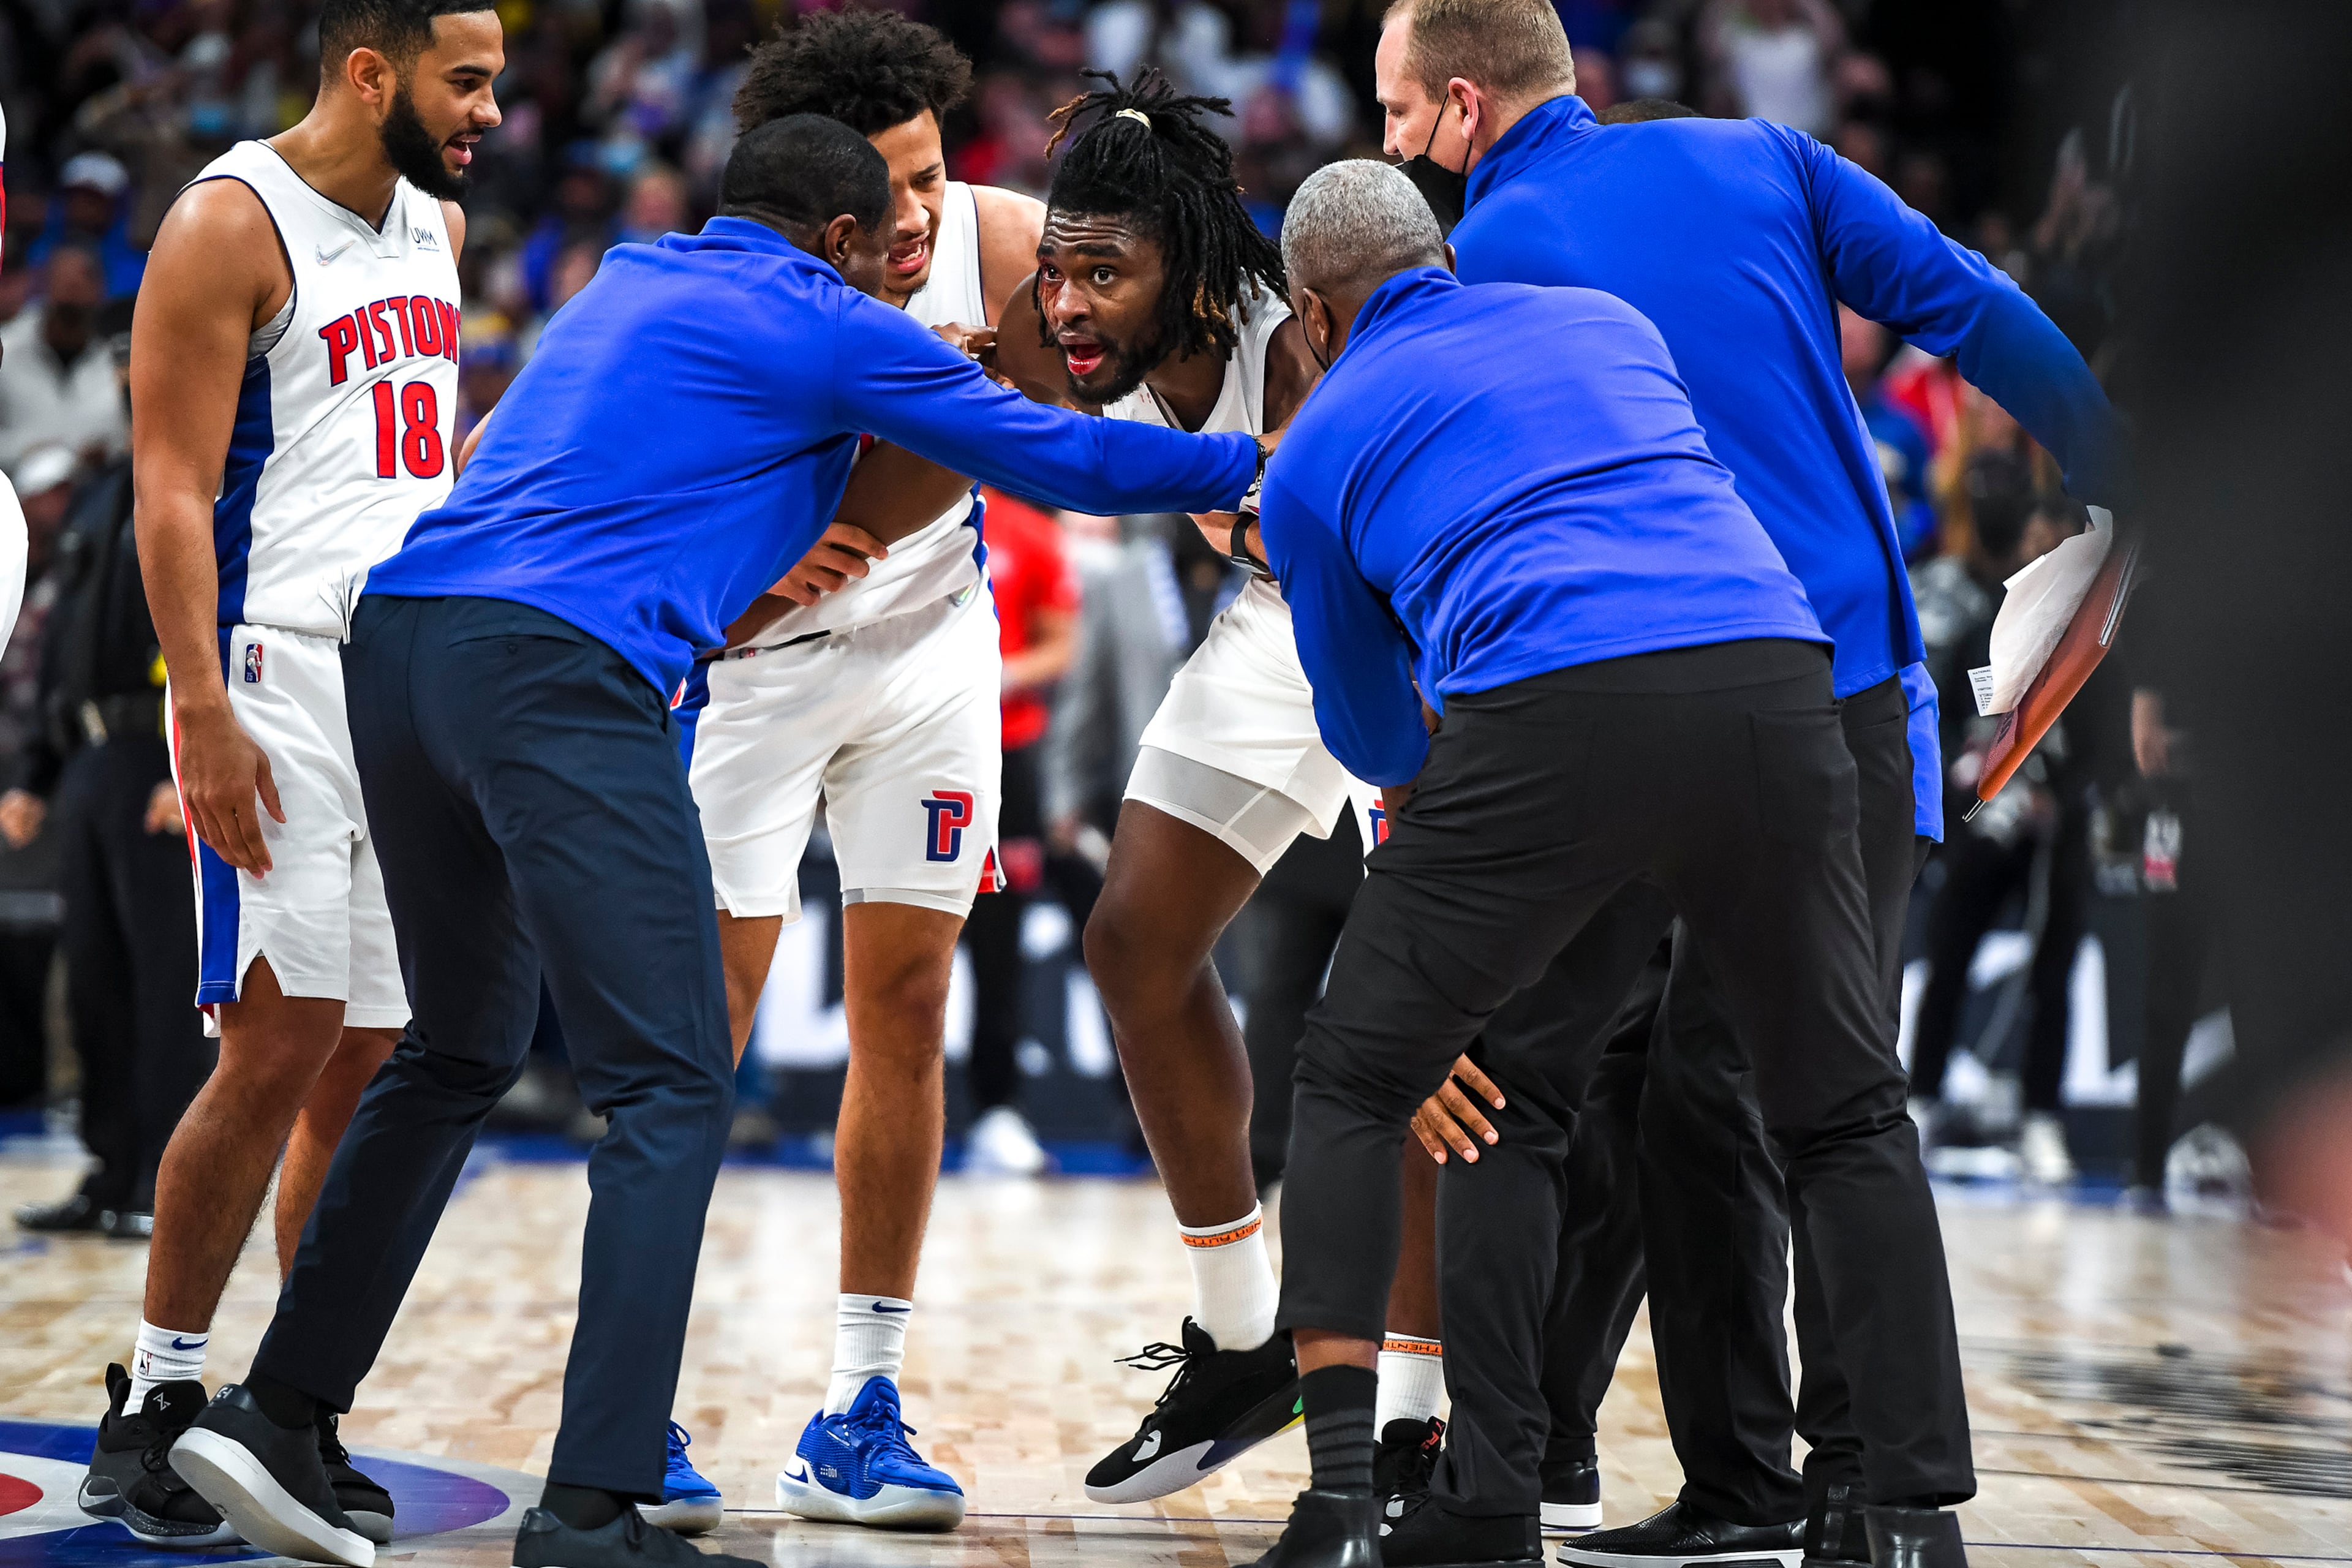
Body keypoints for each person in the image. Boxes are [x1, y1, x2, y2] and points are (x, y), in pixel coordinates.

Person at [164, 114, 1261, 1568]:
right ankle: (599, 1498)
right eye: (887, 238)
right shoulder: (825, 318)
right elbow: (1058, 458)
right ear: (844, 242)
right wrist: (1272, 462)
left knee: (459, 1042)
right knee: (675, 1081)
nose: (901, 261)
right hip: (558, 675)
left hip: (401, 648)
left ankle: (278, 1412)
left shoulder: (621, 280)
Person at [1373, 1, 2125, 1559]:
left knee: (1562, 1091)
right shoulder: (1766, 157)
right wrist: (2120, 467)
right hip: (1845, 691)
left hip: (1614, 700)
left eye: (1394, 115)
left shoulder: (1480, 271)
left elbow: (1470, 528)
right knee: (1804, 1100)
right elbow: (1974, 307)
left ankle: (1540, 1485)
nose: (1388, 146)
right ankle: (1841, 1490)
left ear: (1459, 107)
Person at [1250, 157, 1968, 1568]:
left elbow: (1373, 728)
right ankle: (1897, 1513)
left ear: (1314, 320)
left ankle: (1414, 1497)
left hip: (1549, 719)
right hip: (1775, 687)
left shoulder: (1319, 442)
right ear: (1440, 260)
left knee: (1389, 1081)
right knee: (1840, 1107)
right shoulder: (1602, 326)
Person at [84, 0, 502, 1548]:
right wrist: (192, 699)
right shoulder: (227, 220)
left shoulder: (439, 228)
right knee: (273, 1038)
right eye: (465, 83)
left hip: (406, 680)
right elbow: (175, 489)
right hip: (271, 672)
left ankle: (293, 1403)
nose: (488, 114)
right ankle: (164, 1395)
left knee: (371, 1053)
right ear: (368, 69)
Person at [663, 10, 1050, 1530]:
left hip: (932, 652)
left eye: (934, 174)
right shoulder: (741, 272)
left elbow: (1103, 397)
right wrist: (768, 555)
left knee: (906, 1005)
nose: (919, 216)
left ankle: (858, 1401)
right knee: (702, 1031)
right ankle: (639, 1394)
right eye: (887, 188)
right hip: (750, 678)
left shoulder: (1000, 240)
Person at [986, 69, 1379, 1507]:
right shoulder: (1065, 327)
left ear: (1195, 268)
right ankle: (1237, 1340)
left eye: (1104, 271)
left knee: (1415, 1046)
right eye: (1055, 270)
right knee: (1134, 940)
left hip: (1419, 644)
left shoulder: (1311, 334)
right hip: (1278, 629)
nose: (1070, 301)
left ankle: (1416, 1418)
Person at [4, 360, 211, 1247]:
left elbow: (212, 620)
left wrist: (191, 761)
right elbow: (60, 641)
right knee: (95, 981)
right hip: (88, 758)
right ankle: (111, 1167)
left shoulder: (206, 474)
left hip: (158, 756)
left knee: (168, 982)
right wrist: (35, 773)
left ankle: (169, 1180)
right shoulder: (98, 496)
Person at [1907, 460, 2089, 1183]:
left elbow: (2108, 744)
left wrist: (2063, 797)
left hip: (2055, 835)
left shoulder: (2093, 638)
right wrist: (1976, 787)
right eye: (2035, 538)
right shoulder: (1989, 619)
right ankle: (1920, 1099)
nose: (2042, 552)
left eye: (2058, 540)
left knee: (2055, 974)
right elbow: (1949, 718)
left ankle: (2042, 1119)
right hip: (1987, 823)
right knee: (1948, 953)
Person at [962, 485, 1079, 1177]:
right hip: (915, 750)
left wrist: (991, 677)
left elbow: (1061, 645)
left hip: (1008, 759)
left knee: (1000, 942)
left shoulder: (1030, 529)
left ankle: (997, 1109)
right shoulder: (911, 505)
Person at [0, 244, 128, 477]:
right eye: (64, 307)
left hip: (95, 497)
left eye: (78, 309)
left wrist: (106, 453)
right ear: (45, 288)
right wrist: (29, 452)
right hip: (14, 491)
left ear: (100, 292)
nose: (70, 316)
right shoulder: (7, 350)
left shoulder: (119, 361)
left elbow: (129, 441)